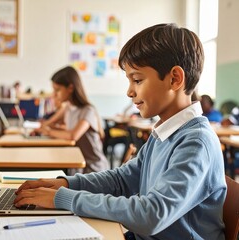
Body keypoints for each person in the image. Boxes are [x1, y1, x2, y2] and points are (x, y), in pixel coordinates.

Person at [14, 24, 226, 240]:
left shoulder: (196, 141)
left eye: (137, 80)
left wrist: (63, 198)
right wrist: (67, 184)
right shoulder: (163, 134)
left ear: (174, 79)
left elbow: (152, 214)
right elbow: (121, 180)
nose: (129, 91)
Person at [34, 66, 109, 174]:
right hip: (77, 168)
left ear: (70, 88)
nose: (54, 94)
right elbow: (49, 123)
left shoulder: (88, 110)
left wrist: (48, 131)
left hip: (94, 170)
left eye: (57, 90)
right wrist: (44, 127)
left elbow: (73, 135)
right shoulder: (68, 108)